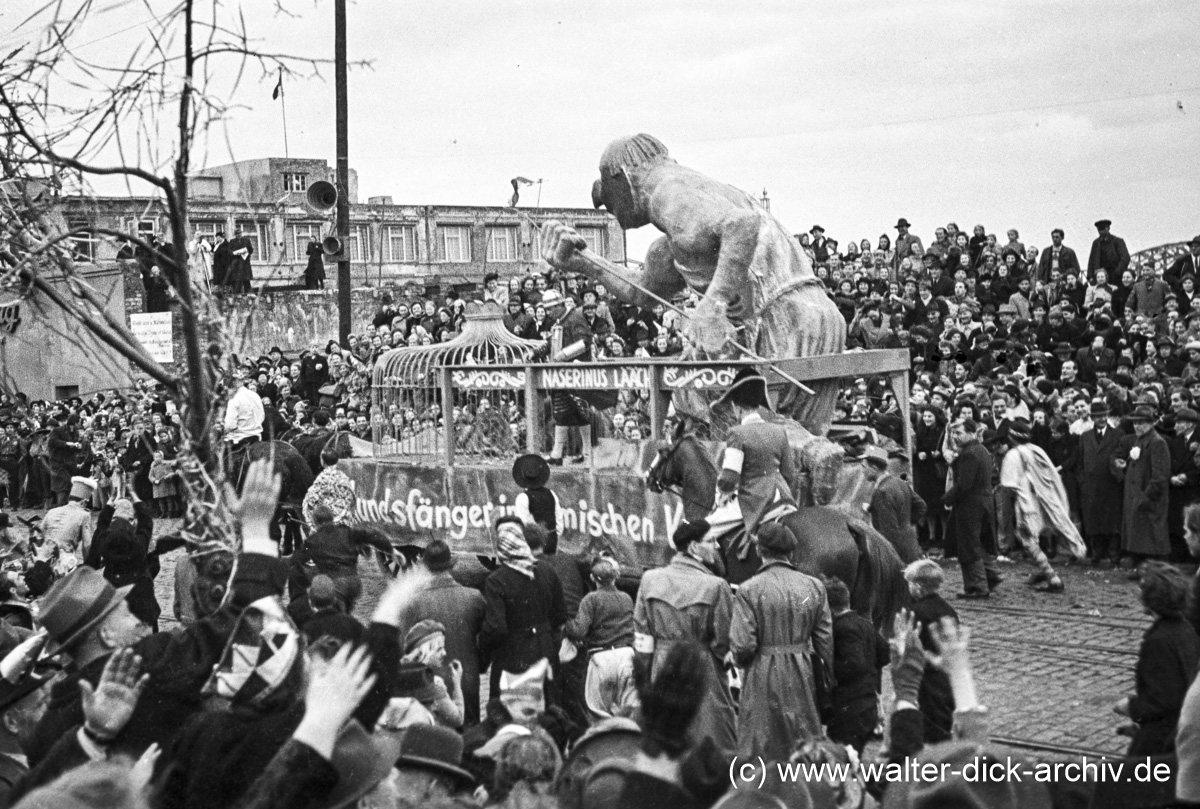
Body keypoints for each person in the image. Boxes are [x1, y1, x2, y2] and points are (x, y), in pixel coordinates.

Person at [539, 133, 845, 432]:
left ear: (621, 178)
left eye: (607, 196)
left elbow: (742, 226)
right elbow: (643, 291)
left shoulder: (665, 191)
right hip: (813, 315)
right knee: (702, 401)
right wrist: (585, 263)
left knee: (748, 434)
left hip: (783, 321)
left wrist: (714, 303)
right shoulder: (684, 220)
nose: (606, 208)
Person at [634, 519, 736, 756]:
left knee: (665, 737)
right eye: (710, 541)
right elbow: (723, 642)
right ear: (693, 548)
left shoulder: (650, 579)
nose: (717, 547)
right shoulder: (716, 586)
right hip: (702, 667)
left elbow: (642, 636)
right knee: (711, 737)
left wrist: (648, 675)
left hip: (662, 665)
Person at [1114, 562, 1200, 756]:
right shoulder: (1185, 630)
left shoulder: (1158, 641)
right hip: (1179, 725)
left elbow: (1161, 700)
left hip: (1163, 738)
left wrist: (1130, 707)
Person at [399, 539, 486, 726]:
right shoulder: (474, 597)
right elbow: (488, 637)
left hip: (429, 687)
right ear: (450, 566)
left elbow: (403, 649)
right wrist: (480, 663)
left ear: (426, 567)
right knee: (469, 738)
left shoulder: (413, 603)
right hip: (466, 679)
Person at [480, 517, 566, 707]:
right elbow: (560, 616)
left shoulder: (496, 580)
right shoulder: (546, 571)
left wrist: (483, 654)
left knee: (510, 713)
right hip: (545, 652)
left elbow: (496, 627)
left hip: (513, 656)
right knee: (549, 710)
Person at [710, 368, 798, 554]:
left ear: (737, 407)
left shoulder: (737, 433)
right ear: (758, 405)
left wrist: (722, 495)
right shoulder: (779, 431)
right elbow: (790, 474)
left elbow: (729, 477)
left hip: (753, 499)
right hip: (782, 496)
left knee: (704, 533)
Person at [999, 418, 1087, 592]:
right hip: (1046, 501)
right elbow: (1052, 475)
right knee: (1039, 537)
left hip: (1027, 504)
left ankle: (1052, 577)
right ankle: (1042, 569)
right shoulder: (1037, 450)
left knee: (1027, 539)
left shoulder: (1013, 455)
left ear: (1012, 438)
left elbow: (1008, 487)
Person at [563, 557, 638, 721]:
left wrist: (565, 622)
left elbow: (579, 631)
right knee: (630, 711)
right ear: (616, 576)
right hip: (626, 655)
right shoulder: (626, 598)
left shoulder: (591, 599)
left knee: (597, 713)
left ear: (592, 578)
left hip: (602, 658)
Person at [825, 575, 888, 754]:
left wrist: (828, 669)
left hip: (849, 709)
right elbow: (885, 653)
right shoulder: (865, 624)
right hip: (868, 705)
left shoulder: (841, 628)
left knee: (841, 760)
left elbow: (854, 664)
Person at [942, 418, 1002, 599]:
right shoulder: (981, 450)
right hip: (983, 502)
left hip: (970, 505)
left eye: (958, 433)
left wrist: (947, 498)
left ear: (971, 432)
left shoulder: (969, 453)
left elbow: (964, 484)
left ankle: (977, 587)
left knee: (969, 545)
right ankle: (990, 576)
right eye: (953, 433)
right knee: (979, 543)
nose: (955, 437)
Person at [84, 496, 160, 631]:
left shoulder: (105, 538)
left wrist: (107, 506)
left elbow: (100, 528)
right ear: (132, 521)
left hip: (113, 589)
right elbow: (147, 526)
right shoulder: (140, 542)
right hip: (140, 595)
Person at [1113, 404, 1172, 571]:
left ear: (1151, 423)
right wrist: (1126, 465)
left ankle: (1154, 570)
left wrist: (1146, 498)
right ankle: (1141, 568)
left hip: (1148, 499)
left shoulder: (1157, 442)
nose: (1137, 426)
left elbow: (1160, 476)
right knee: (1139, 535)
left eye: (1142, 423)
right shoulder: (1140, 440)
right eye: (1135, 423)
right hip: (1136, 496)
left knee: (1151, 537)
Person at [863, 446, 925, 563]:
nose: (862, 471)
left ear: (874, 468)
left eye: (864, 467)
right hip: (911, 547)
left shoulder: (882, 492)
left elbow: (889, 532)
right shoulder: (901, 483)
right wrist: (905, 523)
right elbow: (921, 507)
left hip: (896, 556)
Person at [512, 454, 563, 549]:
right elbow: (559, 522)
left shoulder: (522, 498)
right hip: (551, 541)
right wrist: (553, 537)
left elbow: (522, 525)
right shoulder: (551, 493)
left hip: (533, 546)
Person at [222, 369, 264, 452]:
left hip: (239, 439)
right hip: (256, 436)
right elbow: (262, 415)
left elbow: (230, 425)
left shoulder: (233, 398)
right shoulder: (255, 395)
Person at [1087, 219, 1130, 284]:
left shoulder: (1117, 241)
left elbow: (1125, 258)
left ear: (1108, 228)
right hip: (1099, 277)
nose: (1101, 231)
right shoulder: (1096, 243)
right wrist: (1090, 276)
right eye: (1099, 229)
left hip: (1115, 277)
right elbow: (1091, 261)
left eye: (1103, 228)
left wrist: (1117, 273)